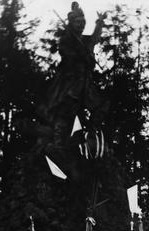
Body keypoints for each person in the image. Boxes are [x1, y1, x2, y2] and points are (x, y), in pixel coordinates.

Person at [37, 1, 109, 148]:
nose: (81, 25)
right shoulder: (67, 39)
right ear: (71, 23)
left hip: (85, 80)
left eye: (83, 22)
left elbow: (95, 38)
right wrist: (79, 55)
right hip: (70, 79)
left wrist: (99, 23)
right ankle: (58, 138)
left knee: (96, 105)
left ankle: (91, 135)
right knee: (65, 106)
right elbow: (66, 54)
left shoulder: (85, 40)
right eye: (78, 22)